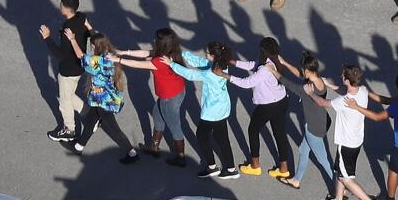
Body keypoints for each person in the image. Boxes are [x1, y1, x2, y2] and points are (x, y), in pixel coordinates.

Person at [306, 65, 384, 200]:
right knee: (340, 172)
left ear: (347, 80)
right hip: (356, 140)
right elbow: (344, 91)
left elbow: (322, 102)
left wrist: (310, 93)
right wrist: (330, 85)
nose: (341, 77)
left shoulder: (343, 101)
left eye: (343, 77)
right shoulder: (362, 90)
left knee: (347, 178)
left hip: (346, 143)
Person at [162, 42, 239, 179]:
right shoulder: (222, 65)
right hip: (223, 108)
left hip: (212, 111)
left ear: (213, 56)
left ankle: (211, 166)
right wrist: (183, 54)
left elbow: (190, 74)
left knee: (202, 136)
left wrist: (171, 64)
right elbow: (200, 62)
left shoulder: (210, 73)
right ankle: (231, 168)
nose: (205, 54)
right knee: (223, 139)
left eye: (208, 52)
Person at [62, 30, 138, 164]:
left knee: (114, 129)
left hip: (103, 102)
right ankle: (78, 147)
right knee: (91, 122)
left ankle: (132, 153)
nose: (90, 48)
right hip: (108, 98)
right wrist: (88, 26)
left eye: (91, 46)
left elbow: (81, 56)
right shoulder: (110, 56)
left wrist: (72, 39)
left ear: (95, 47)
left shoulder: (98, 61)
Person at [114, 28, 188, 167]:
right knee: (157, 115)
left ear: (162, 43)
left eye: (156, 40)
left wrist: (118, 59)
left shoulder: (160, 61)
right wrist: (125, 52)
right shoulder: (170, 51)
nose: (153, 41)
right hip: (176, 92)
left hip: (169, 97)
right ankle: (154, 148)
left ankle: (181, 157)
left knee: (174, 126)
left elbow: (139, 64)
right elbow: (146, 53)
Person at [220, 37, 290, 178]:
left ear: (263, 51)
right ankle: (284, 169)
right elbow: (253, 65)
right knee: (279, 134)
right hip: (281, 101)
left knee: (253, 129)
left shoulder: (264, 69)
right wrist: (233, 62)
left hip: (268, 105)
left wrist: (225, 75)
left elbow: (247, 83)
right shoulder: (272, 61)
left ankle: (255, 166)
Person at [266, 53, 334, 190]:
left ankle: (339, 186)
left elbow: (288, 84)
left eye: (303, 70)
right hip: (323, 121)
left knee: (323, 159)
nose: (302, 72)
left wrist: (273, 71)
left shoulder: (307, 89)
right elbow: (299, 74)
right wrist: (284, 62)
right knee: (303, 149)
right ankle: (296, 180)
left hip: (313, 127)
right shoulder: (318, 79)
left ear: (308, 71)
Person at [39, 0, 92, 142]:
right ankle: (90, 115)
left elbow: (60, 54)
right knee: (68, 95)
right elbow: (89, 32)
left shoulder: (68, 28)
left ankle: (69, 130)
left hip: (68, 70)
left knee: (64, 101)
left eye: (61, 4)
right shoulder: (81, 17)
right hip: (79, 66)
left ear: (67, 9)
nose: (59, 6)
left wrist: (47, 38)